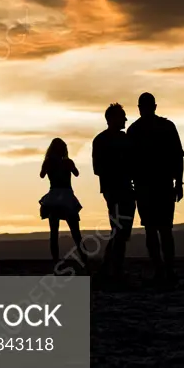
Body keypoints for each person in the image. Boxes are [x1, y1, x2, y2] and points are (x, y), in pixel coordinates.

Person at [126, 92, 184, 285]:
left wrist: (179, 183)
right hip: (159, 186)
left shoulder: (135, 130)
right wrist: (179, 183)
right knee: (163, 230)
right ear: (155, 106)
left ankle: (162, 269)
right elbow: (178, 157)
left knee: (154, 229)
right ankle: (166, 269)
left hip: (148, 187)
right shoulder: (166, 127)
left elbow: (129, 162)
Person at [92, 103, 135, 284]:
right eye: (122, 116)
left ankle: (110, 268)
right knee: (120, 230)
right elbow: (98, 168)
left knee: (120, 231)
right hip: (116, 189)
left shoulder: (112, 139)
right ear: (112, 118)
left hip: (122, 189)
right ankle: (114, 270)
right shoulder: (104, 140)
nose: (125, 119)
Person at [38, 138, 85, 268]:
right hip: (67, 196)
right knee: (76, 232)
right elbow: (76, 173)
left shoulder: (48, 162)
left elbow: (42, 175)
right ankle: (84, 259)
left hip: (53, 197)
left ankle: (55, 262)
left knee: (54, 233)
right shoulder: (68, 162)